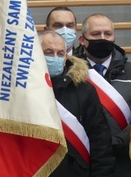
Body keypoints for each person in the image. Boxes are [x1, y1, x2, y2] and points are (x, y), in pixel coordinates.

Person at [40, 30, 115, 176]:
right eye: (48, 52)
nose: (55, 58)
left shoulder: (84, 90)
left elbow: (100, 142)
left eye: (60, 53)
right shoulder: (20, 90)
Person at [74, 13, 131, 176]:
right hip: (84, 161)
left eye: (107, 34)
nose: (102, 38)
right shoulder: (70, 73)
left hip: (124, 161)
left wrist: (117, 142)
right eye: (95, 34)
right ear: (82, 40)